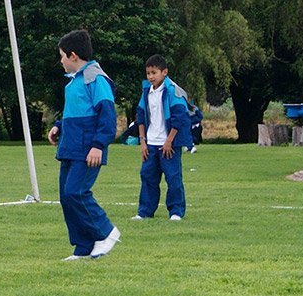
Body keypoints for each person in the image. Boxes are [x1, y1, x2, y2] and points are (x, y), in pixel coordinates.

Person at [46, 29, 119, 261]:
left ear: (73, 55)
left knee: (76, 192)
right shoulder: (74, 81)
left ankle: (106, 232)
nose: (61, 61)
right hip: (70, 148)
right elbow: (76, 111)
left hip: (87, 150)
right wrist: (59, 126)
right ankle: (83, 246)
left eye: (62, 56)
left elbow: (107, 114)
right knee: (66, 197)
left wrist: (98, 145)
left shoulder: (95, 79)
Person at [132, 55, 193, 221]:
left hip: (169, 145)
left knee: (173, 178)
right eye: (148, 73)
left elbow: (179, 118)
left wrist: (169, 141)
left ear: (164, 72)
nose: (151, 76)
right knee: (148, 177)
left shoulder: (173, 91)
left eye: (154, 72)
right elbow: (141, 116)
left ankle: (176, 211)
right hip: (150, 144)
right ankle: (144, 212)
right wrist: (142, 141)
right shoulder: (147, 91)